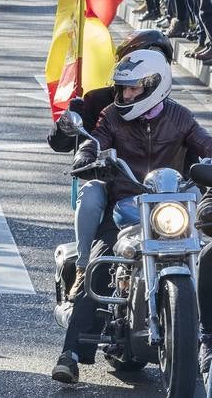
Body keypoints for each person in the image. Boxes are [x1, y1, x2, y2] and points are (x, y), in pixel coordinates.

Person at [51, 49, 212, 384]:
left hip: (171, 208)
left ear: (155, 84)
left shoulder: (180, 117)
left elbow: (205, 143)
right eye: (123, 88)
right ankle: (70, 354)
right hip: (125, 206)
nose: (125, 95)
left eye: (133, 89)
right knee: (101, 261)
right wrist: (88, 156)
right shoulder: (110, 115)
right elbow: (95, 142)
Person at [46, 29, 173, 276]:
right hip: (117, 200)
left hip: (167, 205)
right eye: (142, 55)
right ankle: (83, 269)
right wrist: (71, 118)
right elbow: (63, 144)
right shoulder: (100, 102)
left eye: (159, 57)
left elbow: (199, 150)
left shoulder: (174, 111)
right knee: (89, 300)